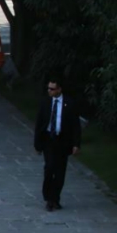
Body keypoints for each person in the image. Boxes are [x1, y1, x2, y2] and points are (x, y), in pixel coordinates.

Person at [34, 76, 80, 211]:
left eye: (52, 89)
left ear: (59, 89)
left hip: (63, 141)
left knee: (60, 172)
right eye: (48, 88)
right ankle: (48, 197)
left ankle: (55, 198)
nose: (49, 91)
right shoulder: (45, 103)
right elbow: (39, 124)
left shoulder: (69, 104)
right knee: (49, 168)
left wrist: (76, 144)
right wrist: (37, 144)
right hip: (49, 139)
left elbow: (75, 125)